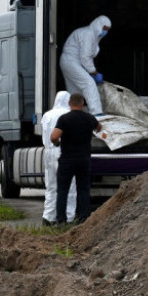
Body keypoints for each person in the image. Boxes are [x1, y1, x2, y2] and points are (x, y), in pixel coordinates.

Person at [50, 93, 102, 225]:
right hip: (84, 160)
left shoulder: (64, 119)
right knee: (83, 190)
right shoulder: (89, 118)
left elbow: (54, 137)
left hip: (67, 160)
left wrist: (57, 143)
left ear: (69, 103)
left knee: (62, 190)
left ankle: (61, 220)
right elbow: (99, 128)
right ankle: (83, 219)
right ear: (82, 103)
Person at [59, 15, 111, 117]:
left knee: (75, 90)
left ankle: (76, 112)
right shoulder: (88, 34)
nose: (105, 32)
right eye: (104, 29)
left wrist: (90, 70)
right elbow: (85, 56)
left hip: (71, 62)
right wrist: (94, 72)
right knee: (89, 83)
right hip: (70, 61)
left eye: (107, 30)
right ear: (99, 25)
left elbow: (87, 57)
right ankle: (97, 113)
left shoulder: (95, 37)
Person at [40, 91, 75, 226]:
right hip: (63, 151)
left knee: (51, 185)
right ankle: (69, 217)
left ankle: (48, 217)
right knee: (69, 186)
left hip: (48, 152)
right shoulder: (68, 115)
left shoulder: (47, 115)